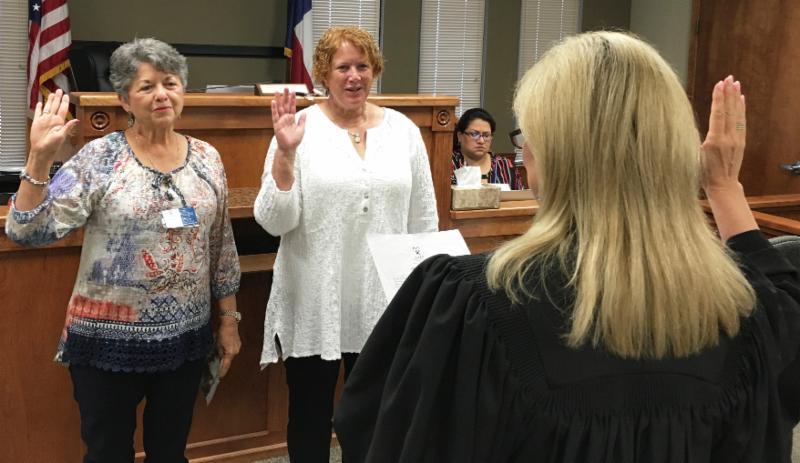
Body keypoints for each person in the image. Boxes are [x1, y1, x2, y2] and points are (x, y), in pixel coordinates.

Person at [333, 31, 800, 462]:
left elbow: (385, 436)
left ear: (551, 155)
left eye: (526, 136)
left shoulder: (473, 305)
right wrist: (723, 187)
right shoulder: (751, 313)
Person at [5, 38, 241, 463]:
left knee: (170, 453)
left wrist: (229, 321)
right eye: (146, 86)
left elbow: (220, 247)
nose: (161, 94)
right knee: (107, 453)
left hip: (185, 342)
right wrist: (39, 159)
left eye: (170, 83)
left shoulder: (208, 158)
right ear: (124, 99)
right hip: (106, 345)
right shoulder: (98, 158)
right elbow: (26, 230)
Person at [253, 26, 438, 463]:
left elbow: (424, 220)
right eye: (343, 68)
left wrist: (425, 294)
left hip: (383, 300)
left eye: (362, 66)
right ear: (323, 73)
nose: (354, 76)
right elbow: (275, 221)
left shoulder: (404, 131)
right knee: (309, 416)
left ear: (375, 70)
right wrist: (285, 155)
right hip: (314, 298)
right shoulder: (297, 129)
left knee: (374, 418)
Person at [451, 107, 524, 189]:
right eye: (474, 134)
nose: (481, 141)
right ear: (460, 136)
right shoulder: (448, 164)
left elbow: (520, 195)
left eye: (486, 135)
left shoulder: (505, 165)